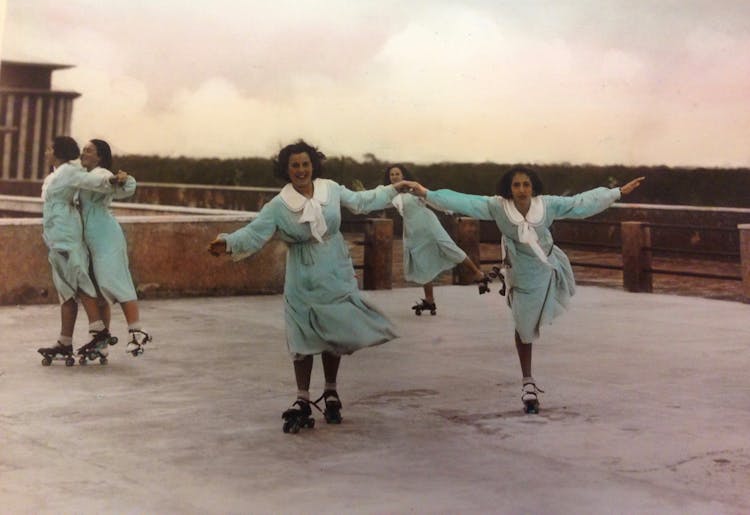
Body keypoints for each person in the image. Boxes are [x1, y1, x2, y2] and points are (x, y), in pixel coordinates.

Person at [403, 167, 645, 413]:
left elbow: (579, 204)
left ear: (533, 187)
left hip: (546, 266)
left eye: (526, 185)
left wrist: (616, 193)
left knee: (533, 322)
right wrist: (426, 193)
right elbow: (465, 201)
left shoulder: (547, 205)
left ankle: (529, 374)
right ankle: (527, 381)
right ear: (509, 187)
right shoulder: (497, 206)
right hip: (520, 271)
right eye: (516, 185)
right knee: (524, 326)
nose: (521, 190)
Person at [208, 140, 405, 432]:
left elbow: (362, 201)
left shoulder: (332, 189)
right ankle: (302, 397)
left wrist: (395, 189)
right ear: (286, 170)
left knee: (333, 330)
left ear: (313, 165)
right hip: (302, 275)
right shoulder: (278, 205)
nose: (301, 170)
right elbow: (255, 232)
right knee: (302, 335)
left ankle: (331, 391)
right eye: (295, 166)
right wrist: (227, 242)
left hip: (335, 268)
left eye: (305, 164)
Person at [36, 136, 112, 365]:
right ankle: (64, 341)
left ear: (58, 152)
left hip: (67, 235)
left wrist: (117, 181)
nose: (46, 152)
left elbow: (97, 182)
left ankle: (99, 332)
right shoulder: (55, 174)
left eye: (49, 148)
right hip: (55, 236)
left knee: (79, 280)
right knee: (66, 290)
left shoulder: (70, 171)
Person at [78, 139, 151, 357]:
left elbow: (112, 183)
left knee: (114, 281)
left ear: (100, 157)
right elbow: (119, 189)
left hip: (106, 237)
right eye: (83, 150)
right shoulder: (85, 176)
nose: (83, 153)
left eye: (89, 151)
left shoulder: (99, 174)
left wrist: (119, 178)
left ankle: (137, 331)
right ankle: (101, 343)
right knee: (100, 290)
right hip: (91, 239)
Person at [383, 164, 487, 316]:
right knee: (422, 261)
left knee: (448, 247)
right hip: (413, 230)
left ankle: (478, 274)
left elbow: (431, 199)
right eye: (392, 174)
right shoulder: (391, 194)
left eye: (397, 173)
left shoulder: (413, 188)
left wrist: (447, 208)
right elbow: (386, 202)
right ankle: (429, 300)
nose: (394, 176)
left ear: (403, 175)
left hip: (428, 224)